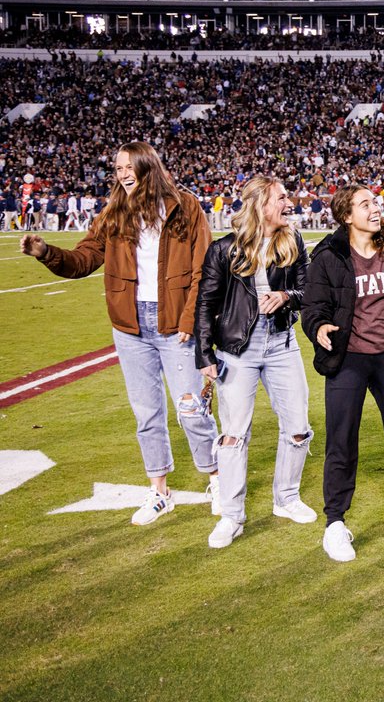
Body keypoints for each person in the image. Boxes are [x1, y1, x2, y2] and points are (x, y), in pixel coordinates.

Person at [20, 141, 219, 526]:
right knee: (147, 413)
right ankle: (160, 492)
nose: (122, 173)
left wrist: (190, 319)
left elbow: (203, 270)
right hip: (130, 327)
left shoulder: (185, 205)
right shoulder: (113, 213)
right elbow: (83, 260)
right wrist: (47, 253)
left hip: (175, 324)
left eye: (129, 166)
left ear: (148, 166)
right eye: (118, 168)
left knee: (192, 409)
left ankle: (216, 478)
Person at [302, 184, 384, 563]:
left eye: (375, 202)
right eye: (365, 204)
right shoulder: (327, 256)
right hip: (348, 359)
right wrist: (320, 328)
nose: (375, 208)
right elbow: (313, 308)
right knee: (341, 439)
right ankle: (335, 521)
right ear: (347, 216)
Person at [195, 176, 316, 549]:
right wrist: (204, 354)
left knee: (298, 427)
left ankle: (287, 498)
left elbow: (308, 289)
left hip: (282, 344)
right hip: (237, 350)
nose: (288, 202)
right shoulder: (223, 250)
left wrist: (285, 296)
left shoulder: (292, 241)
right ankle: (231, 515)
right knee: (233, 434)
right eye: (281, 197)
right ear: (260, 204)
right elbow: (206, 304)